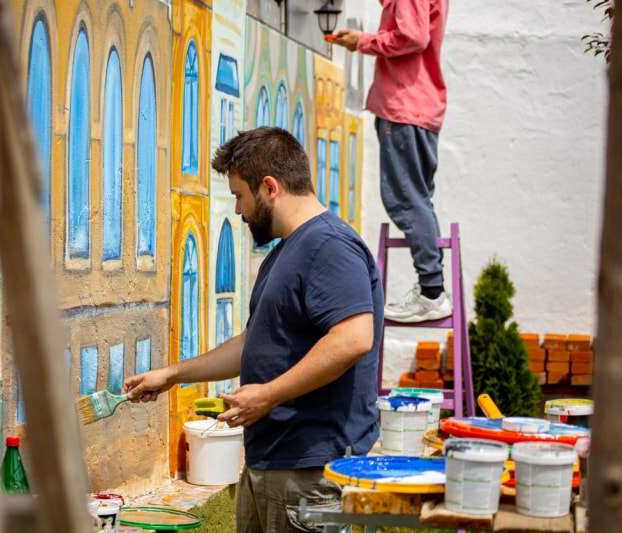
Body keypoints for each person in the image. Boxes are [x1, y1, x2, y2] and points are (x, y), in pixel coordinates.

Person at [124, 127, 383, 533]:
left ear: (270, 187)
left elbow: (353, 338)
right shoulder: (285, 253)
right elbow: (255, 343)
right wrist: (174, 374)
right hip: (273, 463)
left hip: (312, 471)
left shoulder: (330, 245)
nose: (239, 211)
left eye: (240, 196)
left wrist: (267, 395)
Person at [332, 0, 451, 323]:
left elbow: (413, 37)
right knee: (416, 199)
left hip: (404, 107)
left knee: (405, 199)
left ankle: (431, 292)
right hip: (417, 108)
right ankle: (432, 288)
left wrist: (363, 41)